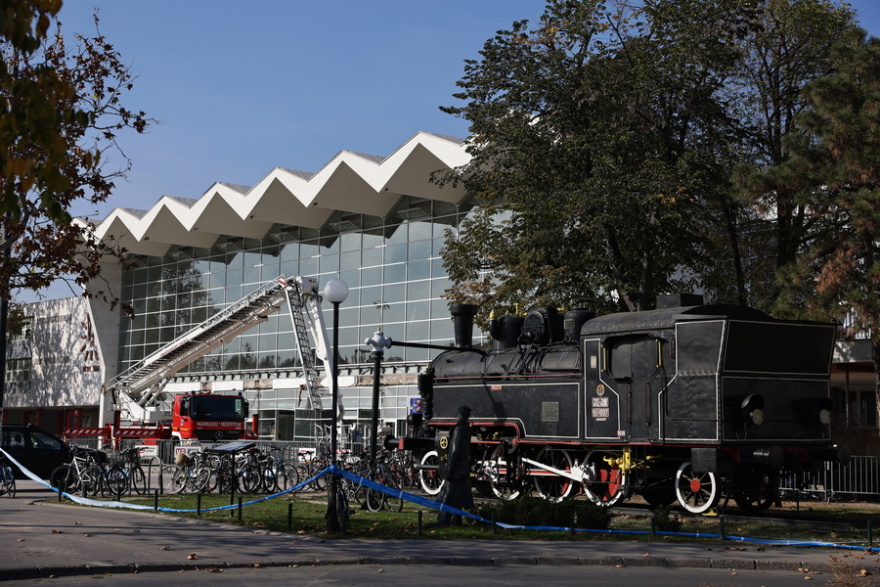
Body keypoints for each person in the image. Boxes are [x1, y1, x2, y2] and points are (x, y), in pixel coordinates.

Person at [437, 405, 474, 526]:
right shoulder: (467, 430)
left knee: (447, 497)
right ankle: (456, 520)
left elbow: (454, 451)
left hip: (456, 470)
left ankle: (444, 520)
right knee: (457, 498)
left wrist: (449, 469)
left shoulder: (459, 430)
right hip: (463, 470)